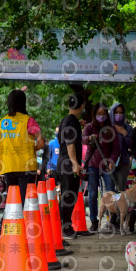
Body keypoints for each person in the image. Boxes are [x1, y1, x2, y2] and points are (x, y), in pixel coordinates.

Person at [0, 89, 45, 236]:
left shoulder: (2, 122)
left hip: (9, 166)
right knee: (23, 200)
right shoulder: (28, 120)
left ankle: (4, 227)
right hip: (25, 167)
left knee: (12, 199)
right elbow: (41, 142)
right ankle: (17, 232)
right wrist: (32, 148)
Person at [82, 102, 120, 232]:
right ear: (94, 114)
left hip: (107, 165)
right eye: (99, 114)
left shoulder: (112, 129)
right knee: (93, 194)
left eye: (104, 114)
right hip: (93, 165)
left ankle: (112, 220)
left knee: (110, 192)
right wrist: (90, 138)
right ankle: (94, 221)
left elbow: (116, 148)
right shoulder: (89, 127)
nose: (101, 116)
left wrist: (112, 161)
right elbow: (83, 138)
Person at [57, 94, 90, 238]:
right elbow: (70, 143)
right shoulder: (71, 122)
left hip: (63, 161)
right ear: (82, 106)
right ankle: (65, 228)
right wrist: (75, 163)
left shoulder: (67, 120)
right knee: (69, 196)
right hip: (68, 163)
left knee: (67, 195)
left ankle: (63, 226)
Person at [109, 103, 133, 192]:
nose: (118, 115)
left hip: (123, 164)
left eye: (121, 112)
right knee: (109, 191)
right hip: (109, 164)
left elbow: (131, 145)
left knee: (120, 191)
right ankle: (110, 206)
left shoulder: (128, 128)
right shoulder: (107, 127)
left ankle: (120, 206)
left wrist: (124, 133)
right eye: (116, 112)